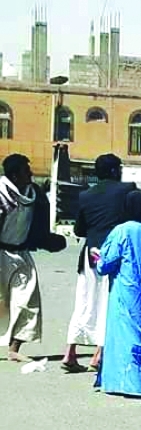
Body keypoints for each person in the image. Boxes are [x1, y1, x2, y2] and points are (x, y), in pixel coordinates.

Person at [61, 154, 141, 373]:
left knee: (84, 301)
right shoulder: (126, 189)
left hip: (89, 254)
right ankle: (98, 355)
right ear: (113, 171)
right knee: (107, 303)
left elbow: (79, 229)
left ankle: (70, 351)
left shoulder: (86, 195)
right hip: (114, 253)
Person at [93, 191, 141, 397]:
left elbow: (106, 264)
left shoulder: (122, 231)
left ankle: (126, 382)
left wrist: (98, 257)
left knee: (124, 335)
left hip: (125, 291)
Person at [0, 154, 67, 362]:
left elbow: (39, 226)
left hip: (21, 253)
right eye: (25, 171)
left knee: (28, 299)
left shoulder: (34, 194)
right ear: (14, 175)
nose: (30, 174)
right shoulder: (1, 194)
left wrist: (49, 241)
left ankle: (14, 349)